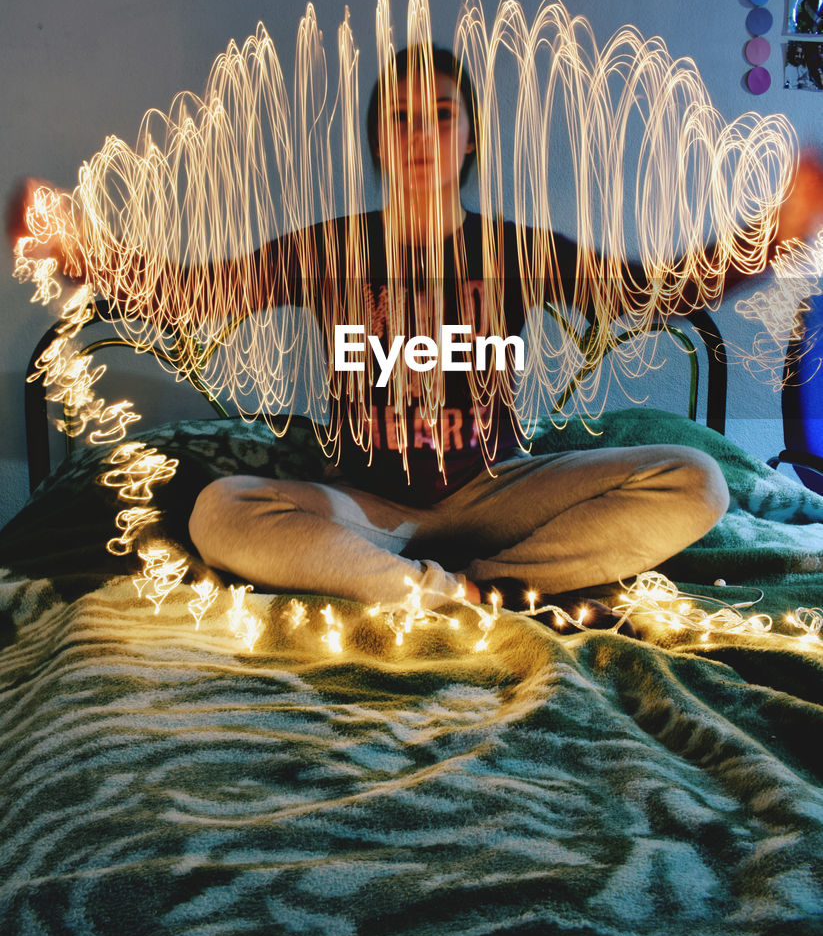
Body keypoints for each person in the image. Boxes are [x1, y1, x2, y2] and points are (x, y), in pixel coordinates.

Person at [10, 47, 823, 628]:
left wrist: (768, 238)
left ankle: (497, 583)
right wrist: (86, 252)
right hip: (363, 504)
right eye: (400, 118)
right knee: (222, 509)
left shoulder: (516, 249)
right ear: (378, 140)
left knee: (697, 479)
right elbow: (196, 296)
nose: (421, 134)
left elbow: (650, 296)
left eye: (441, 115)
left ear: (469, 136)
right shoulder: (326, 248)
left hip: (500, 492)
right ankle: (440, 592)